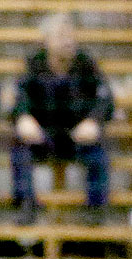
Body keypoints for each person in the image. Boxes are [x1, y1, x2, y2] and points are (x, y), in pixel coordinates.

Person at [11, 13, 114, 226]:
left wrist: (94, 121)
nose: (68, 41)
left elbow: (105, 99)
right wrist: (23, 117)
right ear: (47, 40)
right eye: (61, 36)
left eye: (70, 36)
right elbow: (18, 98)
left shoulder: (86, 64)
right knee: (19, 149)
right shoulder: (34, 64)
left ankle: (95, 211)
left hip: (77, 137)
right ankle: (26, 204)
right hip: (43, 136)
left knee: (99, 153)